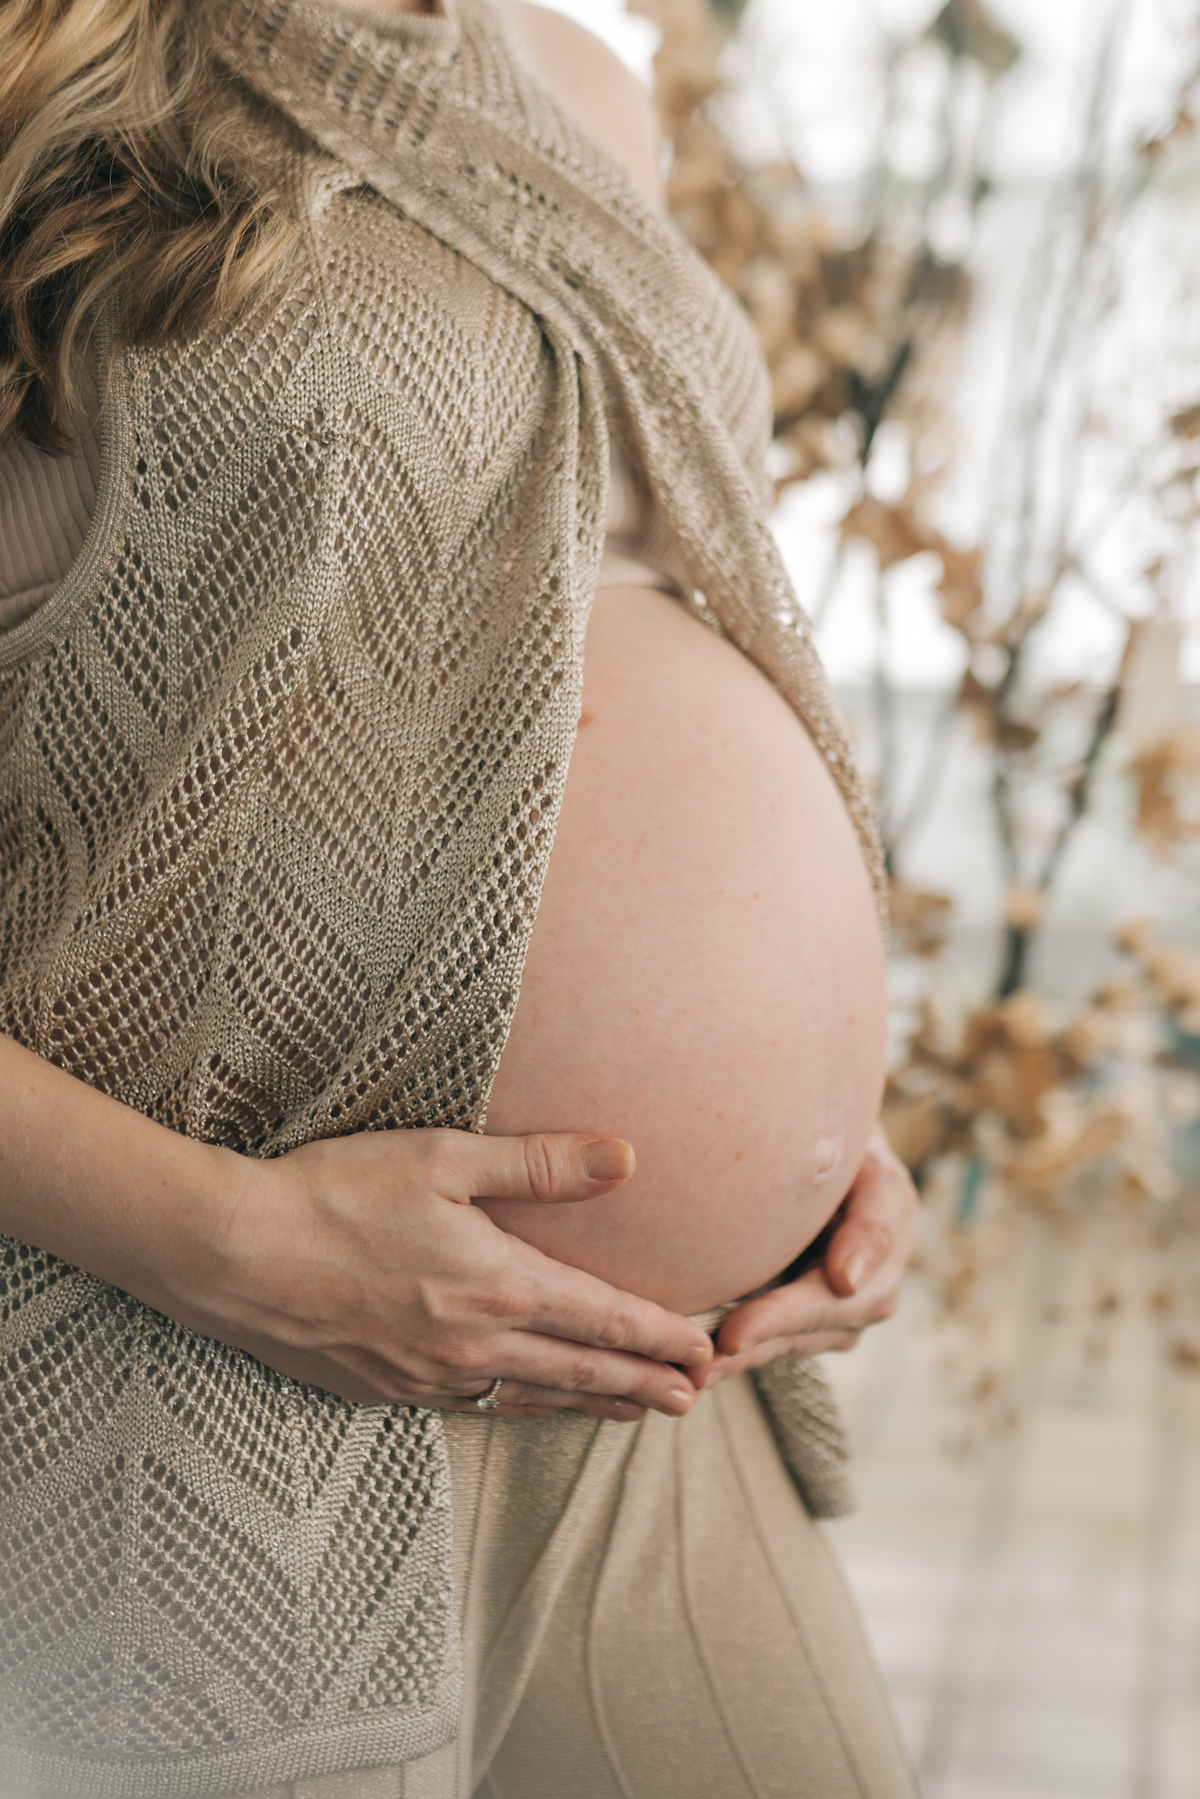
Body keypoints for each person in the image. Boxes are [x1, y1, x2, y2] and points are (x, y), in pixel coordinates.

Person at [0, 0, 920, 1792]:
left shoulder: (570, 82)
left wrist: (808, 1127)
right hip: (188, 1383)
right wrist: (231, 1248)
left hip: (659, 1386)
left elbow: (611, 591)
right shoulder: (39, 80)